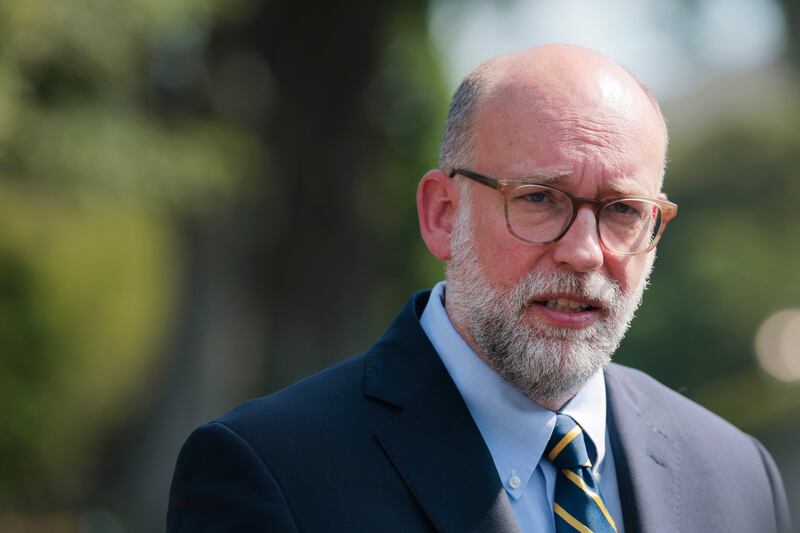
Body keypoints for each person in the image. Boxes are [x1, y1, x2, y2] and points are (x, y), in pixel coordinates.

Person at [167, 44, 792, 532]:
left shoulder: (737, 476)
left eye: (623, 210)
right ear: (442, 213)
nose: (583, 251)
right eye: (541, 199)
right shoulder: (272, 471)